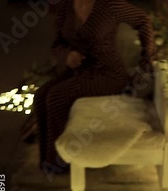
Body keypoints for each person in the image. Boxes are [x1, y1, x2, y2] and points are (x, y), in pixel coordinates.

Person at [21, 0, 155, 173]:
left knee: (56, 97)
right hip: (78, 72)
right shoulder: (66, 8)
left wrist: (147, 57)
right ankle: (49, 160)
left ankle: (62, 162)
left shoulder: (109, 5)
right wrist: (67, 55)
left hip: (108, 74)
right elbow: (57, 44)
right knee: (40, 96)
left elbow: (143, 20)